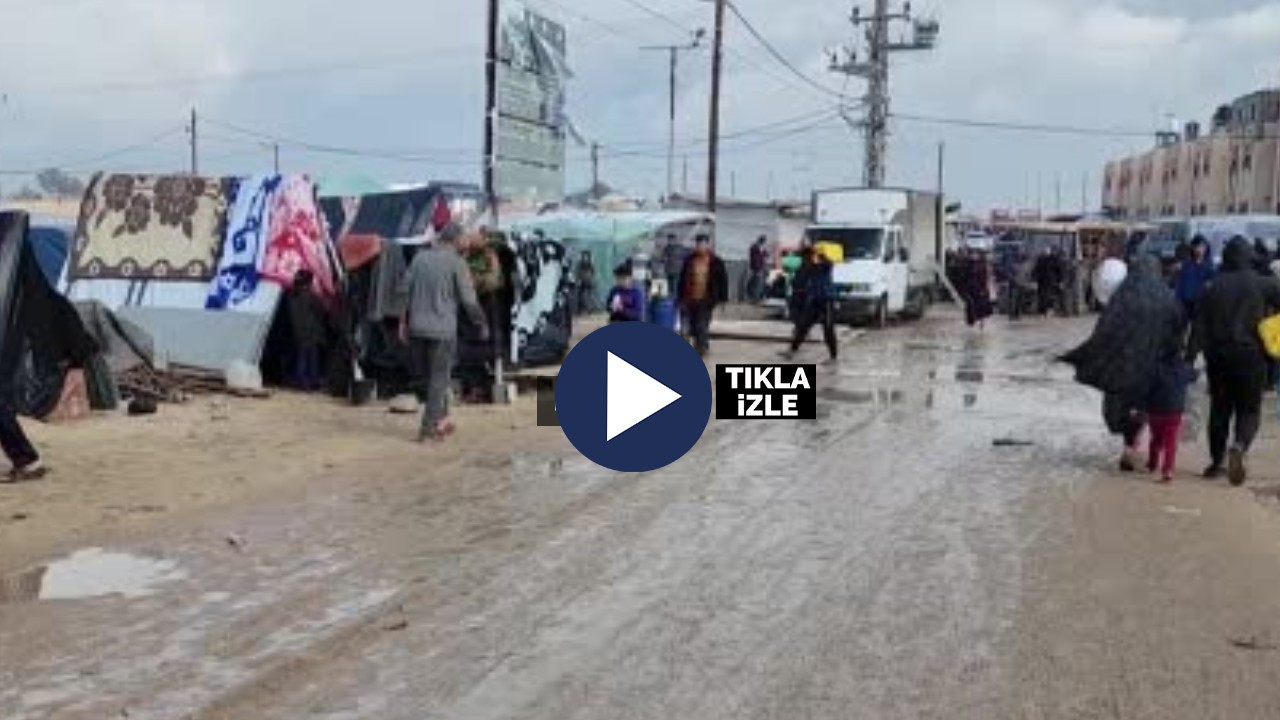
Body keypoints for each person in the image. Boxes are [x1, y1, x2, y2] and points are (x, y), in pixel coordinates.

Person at [1061, 254, 1182, 472]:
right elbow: (1176, 332)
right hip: (1152, 367)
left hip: (1123, 365)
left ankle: (1128, 448)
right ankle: (1146, 450)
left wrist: (1087, 356)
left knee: (1124, 408)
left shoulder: (1122, 297)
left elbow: (1105, 331)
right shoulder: (1167, 297)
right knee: (1149, 409)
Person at [1187, 237, 1280, 484]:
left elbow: (1198, 327)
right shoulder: (1262, 284)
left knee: (1219, 410)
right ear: (1249, 257)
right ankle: (1239, 446)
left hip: (1218, 358)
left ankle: (1216, 463)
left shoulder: (1211, 287)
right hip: (1251, 358)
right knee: (1249, 410)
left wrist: (1188, 359)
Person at [400, 223, 489, 443]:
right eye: (464, 239)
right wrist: (481, 321)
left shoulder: (420, 258)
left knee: (434, 377)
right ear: (456, 240)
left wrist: (402, 322)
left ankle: (443, 420)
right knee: (438, 380)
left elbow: (403, 291)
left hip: (417, 327)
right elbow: (469, 299)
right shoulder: (457, 263)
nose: (466, 243)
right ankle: (428, 430)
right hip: (442, 330)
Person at [1144, 337, 1198, 483]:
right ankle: (1167, 470)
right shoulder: (1184, 368)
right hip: (1174, 412)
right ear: (1181, 352)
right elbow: (1194, 376)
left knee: (1156, 439)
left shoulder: (1154, 367)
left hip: (1155, 411)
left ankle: (1152, 463)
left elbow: (1146, 385)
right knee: (1171, 441)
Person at [784, 242, 838, 362]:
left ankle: (833, 357)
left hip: (826, 300)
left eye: (805, 258)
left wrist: (820, 254)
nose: (804, 260)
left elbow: (830, 262)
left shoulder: (823, 265)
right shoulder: (808, 267)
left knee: (828, 329)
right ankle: (792, 350)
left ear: (811, 256)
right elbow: (795, 274)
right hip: (814, 301)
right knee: (803, 326)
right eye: (803, 258)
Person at [677, 234, 729, 357]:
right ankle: (700, 344)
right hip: (690, 298)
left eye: (703, 244)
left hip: (707, 299)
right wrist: (679, 297)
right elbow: (682, 279)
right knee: (692, 326)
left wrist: (723, 299)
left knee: (702, 325)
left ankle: (701, 349)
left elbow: (723, 281)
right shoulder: (689, 260)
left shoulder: (716, 262)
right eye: (698, 244)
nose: (700, 246)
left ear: (708, 245)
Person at [285, 269, 327, 391]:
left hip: (297, 330)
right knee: (311, 359)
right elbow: (321, 311)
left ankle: (301, 381)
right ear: (309, 282)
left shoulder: (291, 295)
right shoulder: (312, 296)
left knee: (301, 357)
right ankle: (310, 382)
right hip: (311, 332)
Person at [1174, 235, 1214, 331]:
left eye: (1203, 246)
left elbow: (1212, 282)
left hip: (1200, 302)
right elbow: (1180, 283)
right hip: (1185, 302)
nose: (1200, 249)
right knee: (1182, 328)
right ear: (1193, 248)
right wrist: (1178, 298)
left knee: (1198, 329)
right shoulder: (1186, 264)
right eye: (1198, 246)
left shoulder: (1209, 265)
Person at [962, 248, 994, 330]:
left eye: (977, 254)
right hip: (972, 288)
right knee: (971, 305)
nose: (975, 256)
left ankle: (980, 323)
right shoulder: (971, 264)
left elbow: (986, 278)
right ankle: (972, 322)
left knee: (981, 307)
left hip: (980, 288)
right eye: (974, 254)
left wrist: (984, 289)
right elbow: (966, 275)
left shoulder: (984, 266)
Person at [1033, 248, 1065, 316]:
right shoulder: (1040, 259)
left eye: (1047, 251)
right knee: (1042, 296)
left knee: (1050, 296)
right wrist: (1035, 280)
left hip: (1052, 282)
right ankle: (1042, 311)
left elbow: (1060, 270)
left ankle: (1050, 310)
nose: (1046, 252)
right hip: (1042, 282)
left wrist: (1061, 281)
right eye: (1045, 251)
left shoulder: (1055, 259)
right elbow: (1036, 270)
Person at [748, 236, 769, 301]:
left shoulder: (761, 248)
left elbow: (766, 254)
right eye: (764, 241)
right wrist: (757, 269)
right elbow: (755, 259)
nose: (764, 243)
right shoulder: (755, 247)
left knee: (758, 282)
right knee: (756, 283)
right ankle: (755, 297)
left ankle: (756, 297)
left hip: (760, 267)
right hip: (756, 267)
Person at [575, 251, 597, 315]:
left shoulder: (590, 264)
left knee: (589, 296)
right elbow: (577, 272)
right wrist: (578, 280)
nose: (585, 258)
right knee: (580, 296)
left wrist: (592, 279)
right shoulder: (579, 264)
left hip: (588, 281)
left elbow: (593, 272)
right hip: (581, 281)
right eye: (584, 256)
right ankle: (580, 310)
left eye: (586, 256)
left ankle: (589, 310)